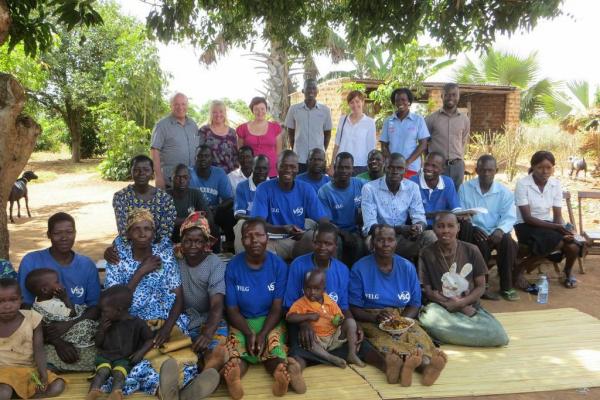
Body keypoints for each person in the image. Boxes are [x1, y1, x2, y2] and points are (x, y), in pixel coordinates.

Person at [105, 208, 222, 398]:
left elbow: (178, 295)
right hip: (134, 323)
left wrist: (167, 327)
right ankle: (169, 391)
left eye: (148, 228)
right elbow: (116, 304)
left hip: (169, 319)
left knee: (181, 355)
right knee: (143, 361)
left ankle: (180, 388)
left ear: (154, 232)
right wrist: (141, 272)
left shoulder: (165, 253)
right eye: (137, 229)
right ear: (127, 233)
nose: (143, 233)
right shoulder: (118, 258)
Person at [349, 224, 447, 387]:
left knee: (417, 336)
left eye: (390, 240)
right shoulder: (360, 268)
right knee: (384, 341)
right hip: (371, 317)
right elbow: (354, 308)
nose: (386, 244)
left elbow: (415, 303)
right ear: (372, 242)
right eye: (380, 240)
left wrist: (400, 322)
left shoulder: (407, 267)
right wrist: (376, 318)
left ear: (396, 242)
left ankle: (425, 366)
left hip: (402, 316)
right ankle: (400, 367)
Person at [222, 218, 300, 399]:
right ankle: (235, 378)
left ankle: (280, 374)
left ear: (267, 237)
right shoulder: (233, 266)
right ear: (242, 241)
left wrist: (263, 333)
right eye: (248, 236)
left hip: (270, 321)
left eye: (259, 235)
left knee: (274, 347)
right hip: (242, 322)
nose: (254, 240)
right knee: (236, 351)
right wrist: (249, 333)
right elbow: (232, 309)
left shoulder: (278, 265)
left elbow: (277, 307)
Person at [419, 212, 509, 347]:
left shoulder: (472, 250)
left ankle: (445, 335)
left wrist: (461, 304)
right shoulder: (426, 253)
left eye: (450, 226)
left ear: (458, 228)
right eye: (440, 226)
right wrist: (449, 303)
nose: (446, 230)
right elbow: (427, 290)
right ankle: (464, 333)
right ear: (433, 228)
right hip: (441, 307)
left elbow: (480, 287)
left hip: (469, 305)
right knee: (429, 318)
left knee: (499, 336)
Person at [176, 212, 229, 391]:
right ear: (181, 241)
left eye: (199, 241)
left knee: (214, 352)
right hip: (184, 321)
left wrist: (207, 333)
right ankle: (195, 381)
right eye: (188, 240)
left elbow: (217, 305)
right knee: (179, 355)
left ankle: (201, 383)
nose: (193, 245)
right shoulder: (175, 259)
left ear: (206, 243)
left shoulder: (214, 263)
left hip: (211, 321)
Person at [513, 151, 581, 289]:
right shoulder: (523, 184)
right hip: (526, 226)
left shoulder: (555, 184)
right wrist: (557, 228)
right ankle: (520, 269)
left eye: (549, 167)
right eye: (540, 167)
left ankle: (567, 272)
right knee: (558, 240)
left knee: (572, 245)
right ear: (533, 167)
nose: (545, 171)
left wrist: (565, 229)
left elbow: (557, 216)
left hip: (548, 225)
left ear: (553, 168)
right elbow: (527, 217)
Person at [458, 155, 519, 301]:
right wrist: (473, 228)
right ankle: (482, 286)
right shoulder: (465, 188)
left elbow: (509, 216)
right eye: (483, 170)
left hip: (495, 230)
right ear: (476, 170)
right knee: (481, 244)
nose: (486, 174)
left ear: (496, 171)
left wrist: (499, 230)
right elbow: (461, 213)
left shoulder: (504, 192)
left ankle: (506, 285)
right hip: (475, 230)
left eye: (490, 170)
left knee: (508, 243)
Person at [250, 150, 329, 261]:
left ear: (298, 168)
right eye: (284, 166)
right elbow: (258, 223)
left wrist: (327, 231)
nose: (288, 170)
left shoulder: (306, 189)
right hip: (271, 240)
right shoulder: (264, 188)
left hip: (297, 240)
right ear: (277, 166)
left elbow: (323, 219)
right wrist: (283, 229)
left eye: (292, 166)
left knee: (319, 239)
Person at [361, 153, 437, 262]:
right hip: (378, 237)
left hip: (403, 239)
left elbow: (419, 217)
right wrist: (399, 229)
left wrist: (418, 228)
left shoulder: (412, 187)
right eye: (390, 167)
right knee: (369, 242)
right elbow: (370, 226)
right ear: (384, 168)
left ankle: (423, 276)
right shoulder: (369, 188)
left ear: (405, 171)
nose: (395, 171)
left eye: (400, 168)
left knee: (430, 236)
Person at [0, 278, 66, 399]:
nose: (7, 306)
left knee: (58, 385)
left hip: (29, 370)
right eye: (1, 301)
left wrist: (43, 374)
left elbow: (39, 349)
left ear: (21, 300)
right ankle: (16, 392)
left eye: (13, 300)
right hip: (3, 373)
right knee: (3, 392)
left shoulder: (33, 319)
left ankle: (23, 393)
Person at [86, 285, 155, 400]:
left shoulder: (137, 323)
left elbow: (150, 339)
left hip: (124, 358)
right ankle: (92, 394)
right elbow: (98, 343)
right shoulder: (105, 322)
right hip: (105, 356)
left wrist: (140, 352)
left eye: (105, 311)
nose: (102, 314)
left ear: (118, 310)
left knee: (119, 375)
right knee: (102, 372)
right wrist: (101, 330)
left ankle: (115, 394)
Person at [18, 212, 100, 308]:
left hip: (80, 320)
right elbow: (25, 304)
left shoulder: (87, 265)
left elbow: (94, 306)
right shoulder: (31, 261)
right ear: (49, 235)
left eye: (69, 232)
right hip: (39, 321)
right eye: (57, 233)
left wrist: (70, 323)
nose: (64, 238)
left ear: (75, 233)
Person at [287, 270, 364, 368]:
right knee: (307, 342)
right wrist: (308, 316)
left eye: (316, 289)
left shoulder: (329, 301)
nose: (311, 292)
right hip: (317, 340)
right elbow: (290, 317)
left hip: (334, 337)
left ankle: (352, 354)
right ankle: (329, 357)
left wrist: (339, 320)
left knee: (351, 323)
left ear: (324, 289)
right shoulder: (301, 303)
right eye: (308, 288)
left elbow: (340, 316)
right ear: (303, 288)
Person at [26, 268, 98, 372]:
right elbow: (72, 313)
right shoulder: (55, 305)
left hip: (54, 333)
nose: (61, 284)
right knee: (86, 324)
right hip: (63, 331)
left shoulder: (38, 302)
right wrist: (65, 298)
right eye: (57, 282)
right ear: (45, 290)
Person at [113, 154, 176, 242]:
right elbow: (123, 232)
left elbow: (165, 234)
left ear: (152, 172)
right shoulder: (121, 197)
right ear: (131, 172)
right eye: (136, 170)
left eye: (146, 170)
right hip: (130, 246)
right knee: (113, 253)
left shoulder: (165, 199)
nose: (141, 173)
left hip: (158, 247)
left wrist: (151, 251)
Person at [318, 152, 366, 265]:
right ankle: (335, 274)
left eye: (347, 167)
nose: (344, 171)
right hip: (335, 231)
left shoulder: (360, 184)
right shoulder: (325, 192)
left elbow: (377, 186)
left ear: (353, 169)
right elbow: (325, 223)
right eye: (340, 167)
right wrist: (343, 233)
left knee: (359, 243)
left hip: (355, 230)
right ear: (335, 168)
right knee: (335, 243)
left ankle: (355, 276)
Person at [189, 145, 235, 251]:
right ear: (195, 158)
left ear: (212, 158)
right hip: (193, 212)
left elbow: (229, 199)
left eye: (206, 156)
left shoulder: (219, 173)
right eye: (199, 156)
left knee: (229, 215)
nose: (203, 158)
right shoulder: (189, 173)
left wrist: (217, 209)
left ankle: (230, 247)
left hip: (214, 210)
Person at [426, 83, 470, 189]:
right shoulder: (431, 119)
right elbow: (425, 144)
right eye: (447, 95)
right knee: (437, 196)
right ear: (442, 96)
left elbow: (463, 141)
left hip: (457, 166)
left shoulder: (464, 120)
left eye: (454, 95)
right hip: (437, 167)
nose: (451, 98)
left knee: (456, 196)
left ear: (459, 96)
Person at [151, 92, 199, 189]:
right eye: (176, 104)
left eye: (183, 104)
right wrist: (158, 177)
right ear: (171, 106)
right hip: (171, 182)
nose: (180, 107)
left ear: (187, 105)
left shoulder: (193, 125)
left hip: (192, 181)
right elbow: (154, 151)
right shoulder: (162, 126)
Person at [380, 88, 430, 179]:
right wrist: (392, 161)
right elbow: (384, 145)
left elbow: (423, 144)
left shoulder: (418, 120)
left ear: (409, 102)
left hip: (411, 167)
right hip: (392, 169)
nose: (400, 103)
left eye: (403, 100)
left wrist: (407, 162)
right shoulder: (388, 121)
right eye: (397, 100)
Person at [285, 79, 332, 173]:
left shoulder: (325, 110)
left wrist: (321, 151)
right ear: (303, 90)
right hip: (299, 158)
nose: (311, 91)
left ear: (317, 91)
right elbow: (291, 133)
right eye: (308, 88)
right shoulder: (294, 109)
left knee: (317, 185)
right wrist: (297, 150)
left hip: (318, 159)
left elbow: (327, 134)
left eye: (314, 88)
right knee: (299, 184)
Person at [329, 90, 376, 176]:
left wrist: (371, 168)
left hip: (360, 166)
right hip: (341, 164)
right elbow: (337, 145)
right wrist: (332, 165)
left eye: (357, 101)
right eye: (351, 102)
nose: (355, 105)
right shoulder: (343, 120)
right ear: (349, 104)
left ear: (363, 102)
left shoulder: (370, 122)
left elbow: (371, 148)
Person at [409, 152, 461, 228]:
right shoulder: (413, 182)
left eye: (434, 166)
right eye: (426, 164)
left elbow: (455, 209)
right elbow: (412, 213)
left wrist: (463, 215)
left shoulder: (448, 182)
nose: (429, 168)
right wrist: (439, 214)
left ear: (443, 169)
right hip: (420, 227)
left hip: (442, 227)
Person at [236, 97, 283, 178]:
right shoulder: (242, 129)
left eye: (262, 108)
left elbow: (278, 152)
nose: (260, 112)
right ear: (252, 110)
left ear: (266, 109)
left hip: (271, 171)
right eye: (256, 109)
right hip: (250, 171)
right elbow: (240, 152)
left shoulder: (275, 127)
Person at [167, 164, 214, 243]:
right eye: (178, 177)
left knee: (213, 229)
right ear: (171, 179)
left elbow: (209, 216)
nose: (182, 181)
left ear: (189, 179)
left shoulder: (196, 193)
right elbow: (167, 222)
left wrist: (198, 225)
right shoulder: (165, 195)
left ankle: (214, 254)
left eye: (185, 177)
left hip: (194, 232)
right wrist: (193, 218)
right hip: (173, 234)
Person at [233, 155, 270, 253]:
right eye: (258, 168)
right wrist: (256, 220)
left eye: (264, 168)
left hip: (270, 225)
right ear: (252, 168)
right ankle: (240, 258)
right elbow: (238, 214)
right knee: (240, 224)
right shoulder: (242, 186)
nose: (261, 171)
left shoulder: (274, 186)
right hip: (249, 223)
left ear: (269, 169)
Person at [198, 100, 238, 174]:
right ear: (211, 114)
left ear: (225, 113)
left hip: (229, 175)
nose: (218, 114)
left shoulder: (232, 132)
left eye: (221, 111)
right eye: (214, 112)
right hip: (209, 175)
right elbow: (198, 154)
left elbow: (235, 156)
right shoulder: (204, 130)